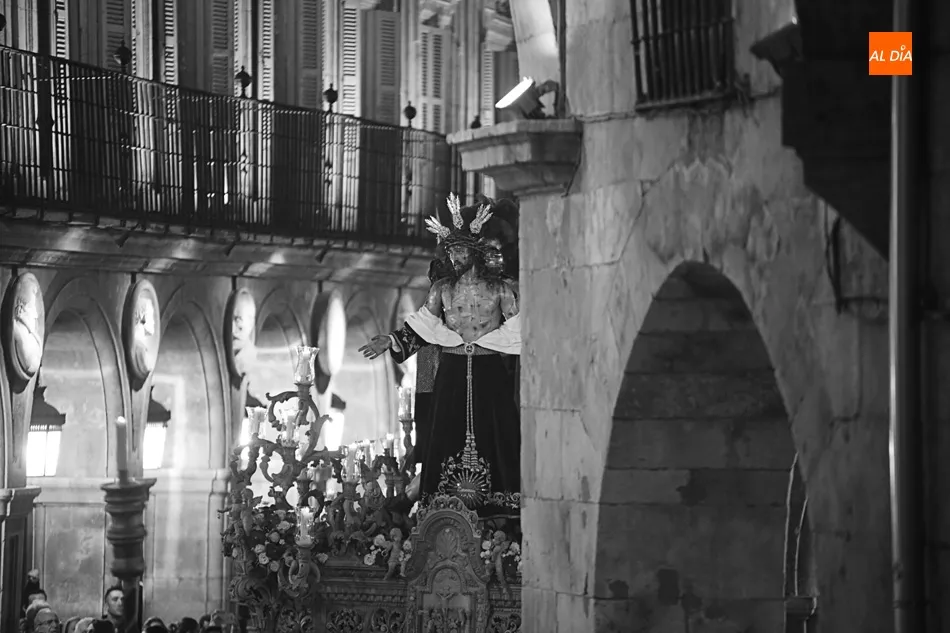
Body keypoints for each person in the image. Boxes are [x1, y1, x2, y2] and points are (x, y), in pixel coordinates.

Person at [360, 194, 521, 514]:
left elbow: (520, 329)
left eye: (460, 250)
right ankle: (441, 504)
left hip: (490, 371)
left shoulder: (501, 290)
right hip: (451, 371)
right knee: (445, 432)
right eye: (451, 251)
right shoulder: (442, 290)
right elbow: (424, 325)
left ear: (475, 251)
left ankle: (499, 508)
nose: (455, 257)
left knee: (495, 434)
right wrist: (391, 341)